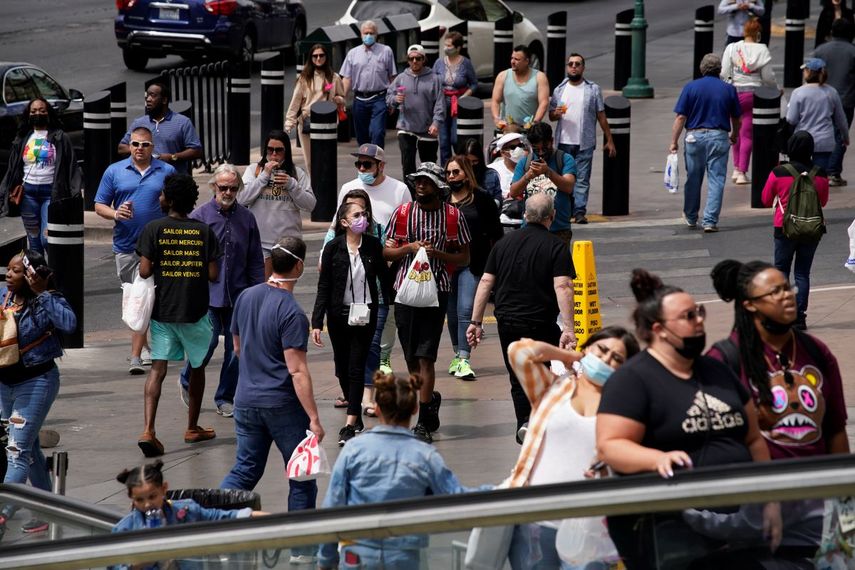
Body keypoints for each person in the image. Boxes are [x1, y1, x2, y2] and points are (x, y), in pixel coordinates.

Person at [596, 268, 781, 569]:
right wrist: (656, 459)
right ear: (659, 330)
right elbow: (611, 445)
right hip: (673, 529)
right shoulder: (633, 379)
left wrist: (770, 501)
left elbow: (753, 438)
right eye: (688, 316)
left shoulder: (717, 370)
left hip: (740, 525)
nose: (699, 322)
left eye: (699, 312)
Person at [221, 236, 324, 564]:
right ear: (298, 267)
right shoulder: (292, 312)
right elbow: (297, 371)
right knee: (301, 476)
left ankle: (214, 525)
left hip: (246, 401)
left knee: (244, 471)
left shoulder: (246, 297)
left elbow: (236, 348)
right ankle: (301, 550)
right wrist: (314, 419)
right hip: (281, 405)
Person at [317, 372, 486, 570]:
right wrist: (505, 490)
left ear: (377, 409)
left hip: (358, 553)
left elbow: (334, 504)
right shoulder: (425, 456)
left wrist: (325, 559)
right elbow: (456, 497)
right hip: (403, 555)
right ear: (415, 409)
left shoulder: (354, 451)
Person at [505, 329, 639, 569]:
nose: (607, 360)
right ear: (587, 349)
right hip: (533, 520)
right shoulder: (553, 389)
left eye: (617, 359)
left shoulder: (623, 408)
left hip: (588, 527)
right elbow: (519, 352)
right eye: (602, 350)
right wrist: (569, 356)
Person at [708, 259, 848, 458]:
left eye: (788, 288)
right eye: (775, 292)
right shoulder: (724, 359)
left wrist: (842, 483)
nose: (787, 296)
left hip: (818, 482)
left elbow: (836, 427)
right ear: (750, 304)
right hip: (760, 484)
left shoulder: (816, 351)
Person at [467, 194, 577, 441]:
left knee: (518, 375)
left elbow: (486, 281)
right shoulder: (555, 246)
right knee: (544, 369)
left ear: (525, 216)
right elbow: (563, 287)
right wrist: (568, 328)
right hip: (541, 322)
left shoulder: (503, 244)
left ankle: (525, 422)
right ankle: (541, 419)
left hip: (508, 322)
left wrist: (475, 322)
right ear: (552, 217)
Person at [383, 162, 471, 443]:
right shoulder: (403, 214)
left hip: (437, 294)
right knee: (410, 357)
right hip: (405, 293)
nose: (420, 186)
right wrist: (408, 248)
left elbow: (465, 258)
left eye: (426, 182)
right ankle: (429, 400)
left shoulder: (453, 217)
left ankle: (422, 420)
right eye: (417, 181)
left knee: (426, 356)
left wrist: (440, 256)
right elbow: (387, 251)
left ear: (437, 187)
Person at [135, 174, 221, 457]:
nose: (159, 198)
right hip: (195, 312)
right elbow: (212, 274)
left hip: (164, 312)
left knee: (157, 370)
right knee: (197, 367)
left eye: (162, 194)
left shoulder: (153, 229)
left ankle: (148, 429)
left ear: (169, 199)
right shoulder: (204, 231)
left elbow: (145, 271)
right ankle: (192, 427)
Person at [176, 164, 265, 418]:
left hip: (239, 294)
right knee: (208, 342)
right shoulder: (199, 217)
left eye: (233, 188)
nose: (228, 192)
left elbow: (255, 258)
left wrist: (257, 291)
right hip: (208, 296)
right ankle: (187, 377)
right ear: (214, 187)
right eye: (223, 187)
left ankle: (225, 397)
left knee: (237, 351)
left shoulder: (247, 218)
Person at [0, 251, 76, 537]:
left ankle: (3, 512)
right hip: (4, 386)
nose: (9, 274)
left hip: (36, 382)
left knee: (17, 451)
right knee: (28, 448)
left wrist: (43, 293)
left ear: (31, 275)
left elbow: (69, 324)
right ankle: (47, 510)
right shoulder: (2, 297)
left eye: (16, 271)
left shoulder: (48, 300)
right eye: (7, 269)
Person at [94, 126, 176, 375]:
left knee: (150, 297)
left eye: (145, 145)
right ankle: (146, 348)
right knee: (137, 299)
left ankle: (136, 356)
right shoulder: (114, 171)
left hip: (160, 246)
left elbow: (177, 203)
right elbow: (99, 205)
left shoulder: (166, 171)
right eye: (135, 144)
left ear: (153, 147)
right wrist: (116, 213)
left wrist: (166, 206)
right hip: (126, 246)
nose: (140, 149)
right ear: (129, 146)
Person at [338, 144, 410, 410]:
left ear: (381, 165)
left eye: (367, 164)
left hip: (382, 275)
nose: (362, 170)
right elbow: (337, 229)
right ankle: (351, 389)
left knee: (376, 338)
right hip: (349, 283)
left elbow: (406, 225)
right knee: (349, 343)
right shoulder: (348, 189)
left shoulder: (399, 189)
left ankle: (370, 386)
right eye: (358, 164)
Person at [311, 201, 390, 446]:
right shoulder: (333, 248)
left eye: (364, 214)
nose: (362, 218)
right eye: (356, 215)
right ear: (344, 222)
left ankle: (349, 423)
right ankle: (355, 412)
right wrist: (316, 321)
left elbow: (384, 279)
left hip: (365, 314)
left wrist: (392, 306)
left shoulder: (374, 246)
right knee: (342, 368)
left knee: (357, 367)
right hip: (338, 316)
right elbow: (324, 287)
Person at [760, 132, 830, 330]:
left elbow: (765, 199)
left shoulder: (779, 172)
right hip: (812, 228)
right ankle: (800, 317)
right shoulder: (820, 173)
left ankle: (782, 314)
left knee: (781, 270)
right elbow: (822, 201)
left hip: (784, 227)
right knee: (802, 273)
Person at [444, 155, 502, 380]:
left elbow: (496, 234)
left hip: (473, 263)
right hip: (446, 262)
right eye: (448, 173)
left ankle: (464, 357)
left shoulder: (482, 199)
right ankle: (457, 354)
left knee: (466, 309)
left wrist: (494, 265)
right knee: (451, 312)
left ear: (466, 174)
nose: (451, 177)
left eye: (456, 172)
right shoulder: (442, 198)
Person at [670, 53, 742, 233]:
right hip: (719, 136)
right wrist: (734, 135)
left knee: (693, 178)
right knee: (717, 180)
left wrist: (674, 141)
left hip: (694, 137)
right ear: (719, 70)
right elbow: (736, 117)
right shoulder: (728, 89)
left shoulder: (691, 87)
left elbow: (680, 117)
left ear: (702, 69)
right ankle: (710, 221)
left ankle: (691, 216)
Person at [0, 97, 81, 254]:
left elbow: (72, 167)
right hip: (27, 196)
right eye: (34, 111)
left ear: (48, 113)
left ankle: (57, 273)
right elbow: (12, 169)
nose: (38, 113)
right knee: (34, 243)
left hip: (51, 194)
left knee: (47, 240)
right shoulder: (23, 138)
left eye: (42, 110)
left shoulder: (59, 137)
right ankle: (41, 277)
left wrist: (74, 196)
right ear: (28, 115)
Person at [548, 53, 616, 225]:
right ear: (567, 67)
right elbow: (551, 116)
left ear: (583, 68)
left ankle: (579, 212)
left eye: (577, 64)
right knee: (563, 178)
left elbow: (601, 115)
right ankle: (566, 210)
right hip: (563, 142)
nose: (573, 67)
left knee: (582, 178)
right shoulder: (559, 90)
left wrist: (609, 139)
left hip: (584, 142)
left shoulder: (593, 89)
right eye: (570, 64)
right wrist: (555, 114)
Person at [112, 460, 267, 535]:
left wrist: (257, 516)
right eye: (139, 500)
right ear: (130, 497)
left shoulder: (186, 510)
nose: (147, 504)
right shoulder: (125, 529)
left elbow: (219, 516)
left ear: (164, 489)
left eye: (152, 497)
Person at [239, 130, 316, 279]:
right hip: (260, 243)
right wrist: (263, 177)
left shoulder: (297, 173)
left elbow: (310, 205)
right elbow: (242, 198)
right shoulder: (254, 170)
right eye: (270, 150)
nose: (274, 154)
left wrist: (292, 185)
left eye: (279, 150)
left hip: (288, 244)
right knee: (265, 288)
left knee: (284, 289)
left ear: (286, 151)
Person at [720, 18, 778, 185]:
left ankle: (736, 167)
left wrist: (733, 80)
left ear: (744, 33)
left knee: (735, 132)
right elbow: (767, 77)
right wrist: (773, 88)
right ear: (758, 33)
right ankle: (742, 172)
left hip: (734, 94)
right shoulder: (762, 50)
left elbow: (725, 72)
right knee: (747, 133)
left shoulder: (732, 48)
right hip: (753, 95)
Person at [509, 122, 576, 247]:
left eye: (544, 148)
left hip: (558, 230)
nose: (540, 153)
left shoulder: (564, 159)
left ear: (552, 141)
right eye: (536, 149)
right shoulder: (525, 163)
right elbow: (513, 192)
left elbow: (568, 187)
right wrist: (527, 177)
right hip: (530, 229)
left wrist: (548, 172)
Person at [118, 80, 202, 175]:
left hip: (173, 180)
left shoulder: (182, 122)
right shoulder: (139, 122)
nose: (148, 99)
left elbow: (196, 150)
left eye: (153, 95)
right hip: (145, 178)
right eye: (147, 96)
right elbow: (122, 148)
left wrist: (172, 157)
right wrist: (144, 152)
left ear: (164, 100)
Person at [285, 43, 345, 173]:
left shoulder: (334, 77)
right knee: (310, 162)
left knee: (326, 159)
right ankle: (314, 190)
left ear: (326, 57)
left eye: (321, 55)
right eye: (315, 56)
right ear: (310, 58)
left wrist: (339, 99)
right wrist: (290, 121)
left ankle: (325, 190)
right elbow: (295, 101)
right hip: (308, 121)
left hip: (327, 122)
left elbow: (342, 96)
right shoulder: (304, 78)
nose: (318, 58)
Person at [386, 44, 444, 179]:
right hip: (406, 127)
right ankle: (410, 196)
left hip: (427, 129)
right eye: (411, 59)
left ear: (424, 59)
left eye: (418, 58)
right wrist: (395, 99)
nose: (414, 62)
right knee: (407, 165)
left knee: (428, 167)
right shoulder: (401, 78)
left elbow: (440, 104)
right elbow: (388, 97)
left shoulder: (434, 79)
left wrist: (436, 123)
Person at [786, 58, 849, 174]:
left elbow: (791, 119)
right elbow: (841, 119)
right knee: (819, 175)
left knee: (802, 175)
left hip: (802, 140)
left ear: (809, 72)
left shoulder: (798, 92)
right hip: (824, 140)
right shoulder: (831, 92)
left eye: (804, 70)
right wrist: (845, 137)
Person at [340, 20, 397, 148]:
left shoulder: (386, 51)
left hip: (379, 98)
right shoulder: (352, 54)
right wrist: (342, 97)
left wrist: (393, 99)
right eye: (366, 33)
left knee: (377, 133)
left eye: (372, 33)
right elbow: (347, 78)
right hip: (359, 99)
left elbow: (392, 77)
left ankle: (377, 162)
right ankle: (365, 164)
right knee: (362, 136)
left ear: (377, 35)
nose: (368, 36)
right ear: (361, 34)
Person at [814, 18, 855, 187]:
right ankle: (833, 171)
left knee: (823, 131)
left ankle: (821, 169)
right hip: (846, 98)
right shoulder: (853, 51)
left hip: (821, 98)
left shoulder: (820, 50)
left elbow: (811, 73)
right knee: (840, 136)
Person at [434, 31, 478, 167]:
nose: (446, 48)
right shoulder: (439, 63)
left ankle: (461, 167)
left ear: (458, 48)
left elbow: (474, 84)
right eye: (445, 45)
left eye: (449, 45)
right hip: (442, 103)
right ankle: (445, 170)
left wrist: (464, 97)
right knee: (444, 141)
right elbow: (433, 82)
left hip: (458, 104)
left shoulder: (465, 63)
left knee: (455, 139)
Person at [491, 45, 550, 132]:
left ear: (527, 61)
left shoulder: (539, 77)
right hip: (507, 128)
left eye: (517, 59)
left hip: (528, 128)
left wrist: (535, 122)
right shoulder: (502, 76)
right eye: (512, 58)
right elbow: (495, 101)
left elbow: (544, 103)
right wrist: (496, 118)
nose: (512, 62)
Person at [458, 137, 502, 205]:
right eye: (468, 162)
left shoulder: (491, 175)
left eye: (475, 161)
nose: (471, 165)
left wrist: (492, 206)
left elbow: (498, 197)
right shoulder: (455, 175)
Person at [488, 132, 527, 200]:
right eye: (513, 147)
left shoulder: (531, 166)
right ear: (503, 152)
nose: (518, 149)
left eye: (520, 145)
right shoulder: (492, 170)